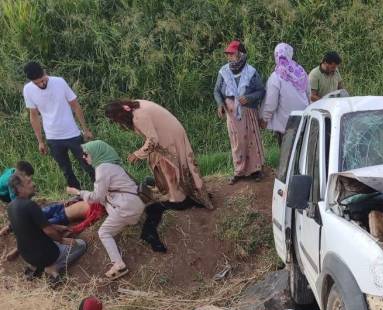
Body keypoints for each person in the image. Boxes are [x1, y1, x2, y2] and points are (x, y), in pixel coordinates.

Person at [104, 100, 213, 252]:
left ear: (121, 113)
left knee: (169, 168)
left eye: (116, 120)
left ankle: (177, 199)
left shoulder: (138, 116)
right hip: (168, 133)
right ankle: (177, 193)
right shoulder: (135, 106)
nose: (117, 123)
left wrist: (138, 154)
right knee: (166, 166)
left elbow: (153, 139)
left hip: (167, 137)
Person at [66, 140, 144, 280]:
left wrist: (78, 193)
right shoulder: (114, 166)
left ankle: (119, 264)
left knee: (104, 232)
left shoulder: (102, 169)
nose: (84, 157)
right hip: (135, 206)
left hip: (125, 208)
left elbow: (96, 196)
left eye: (86, 154)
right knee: (107, 208)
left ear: (96, 153)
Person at [22, 62, 95, 188]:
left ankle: (101, 191)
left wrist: (85, 129)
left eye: (42, 80)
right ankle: (77, 197)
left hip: (73, 134)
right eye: (37, 83)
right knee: (66, 171)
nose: (41, 84)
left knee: (88, 165)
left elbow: (75, 105)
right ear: (31, 81)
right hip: (53, 138)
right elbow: (33, 116)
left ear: (45, 72)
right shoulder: (28, 89)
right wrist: (40, 141)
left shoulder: (59, 82)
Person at [6, 172, 87, 284]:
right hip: (47, 255)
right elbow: (49, 231)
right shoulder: (30, 205)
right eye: (29, 182)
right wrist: (62, 240)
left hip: (27, 255)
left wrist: (58, 227)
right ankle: (52, 268)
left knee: (40, 243)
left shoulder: (10, 207)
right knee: (81, 245)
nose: (33, 184)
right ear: (19, 188)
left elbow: (31, 226)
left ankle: (34, 267)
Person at [213, 40, 266, 183]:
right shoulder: (224, 71)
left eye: (232, 54)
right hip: (232, 113)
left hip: (248, 111)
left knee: (251, 140)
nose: (229, 57)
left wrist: (249, 98)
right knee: (237, 142)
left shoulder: (251, 72)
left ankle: (255, 170)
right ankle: (239, 171)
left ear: (240, 54)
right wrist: (220, 105)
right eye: (228, 54)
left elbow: (261, 91)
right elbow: (217, 91)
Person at [261, 43, 310, 146]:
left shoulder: (276, 77)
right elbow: (308, 93)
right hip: (304, 119)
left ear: (276, 56)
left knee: (287, 156)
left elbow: (271, 102)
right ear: (290, 54)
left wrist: (265, 119)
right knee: (302, 151)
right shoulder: (300, 71)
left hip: (286, 124)